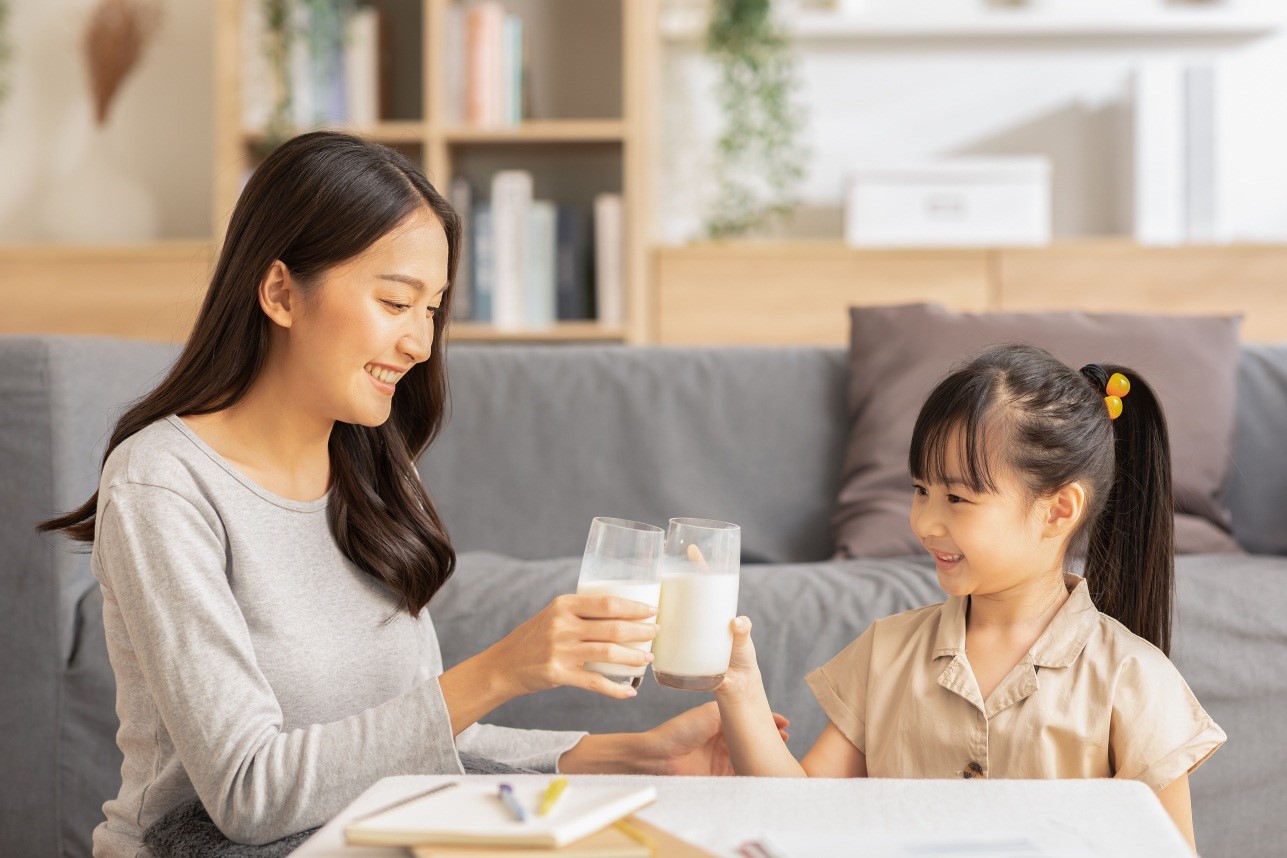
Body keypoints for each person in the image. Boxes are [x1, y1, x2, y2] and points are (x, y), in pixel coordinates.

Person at [40, 131, 769, 856]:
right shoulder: (164, 482)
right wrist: (498, 670)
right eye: (396, 302)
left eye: (432, 310)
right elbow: (249, 793)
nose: (420, 344)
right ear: (280, 292)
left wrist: (633, 754)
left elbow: (406, 737)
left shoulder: (371, 472)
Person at [711, 343, 1225, 851]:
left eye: (957, 498)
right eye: (920, 490)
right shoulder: (885, 653)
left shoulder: (1132, 677)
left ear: (1059, 510)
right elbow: (797, 813)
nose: (926, 522)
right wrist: (738, 686)